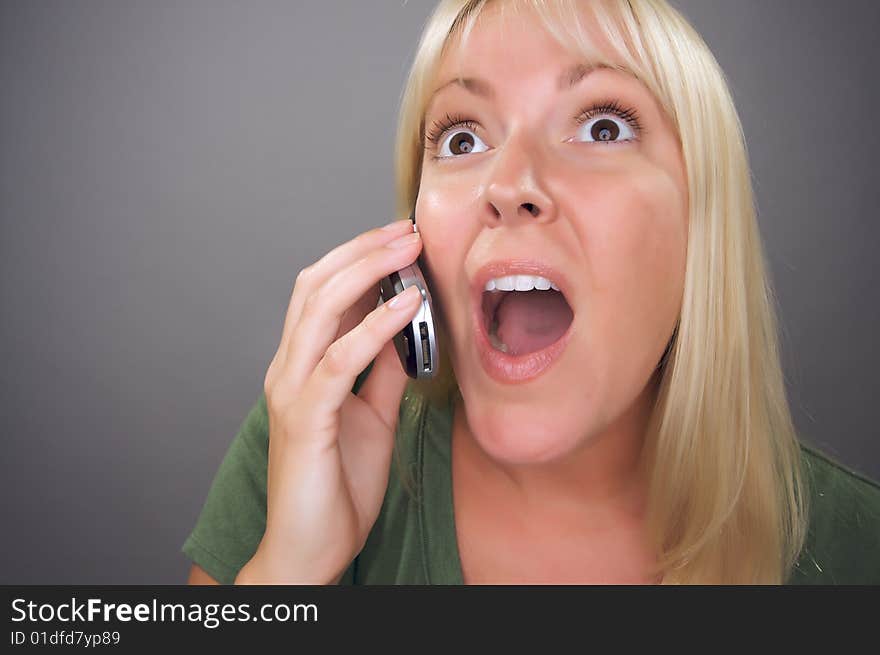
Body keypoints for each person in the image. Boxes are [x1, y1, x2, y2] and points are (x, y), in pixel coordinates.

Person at [182, 0, 880, 585]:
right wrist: (288, 572)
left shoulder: (857, 548)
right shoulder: (316, 435)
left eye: (601, 126)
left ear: (703, 220)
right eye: (462, 137)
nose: (510, 183)